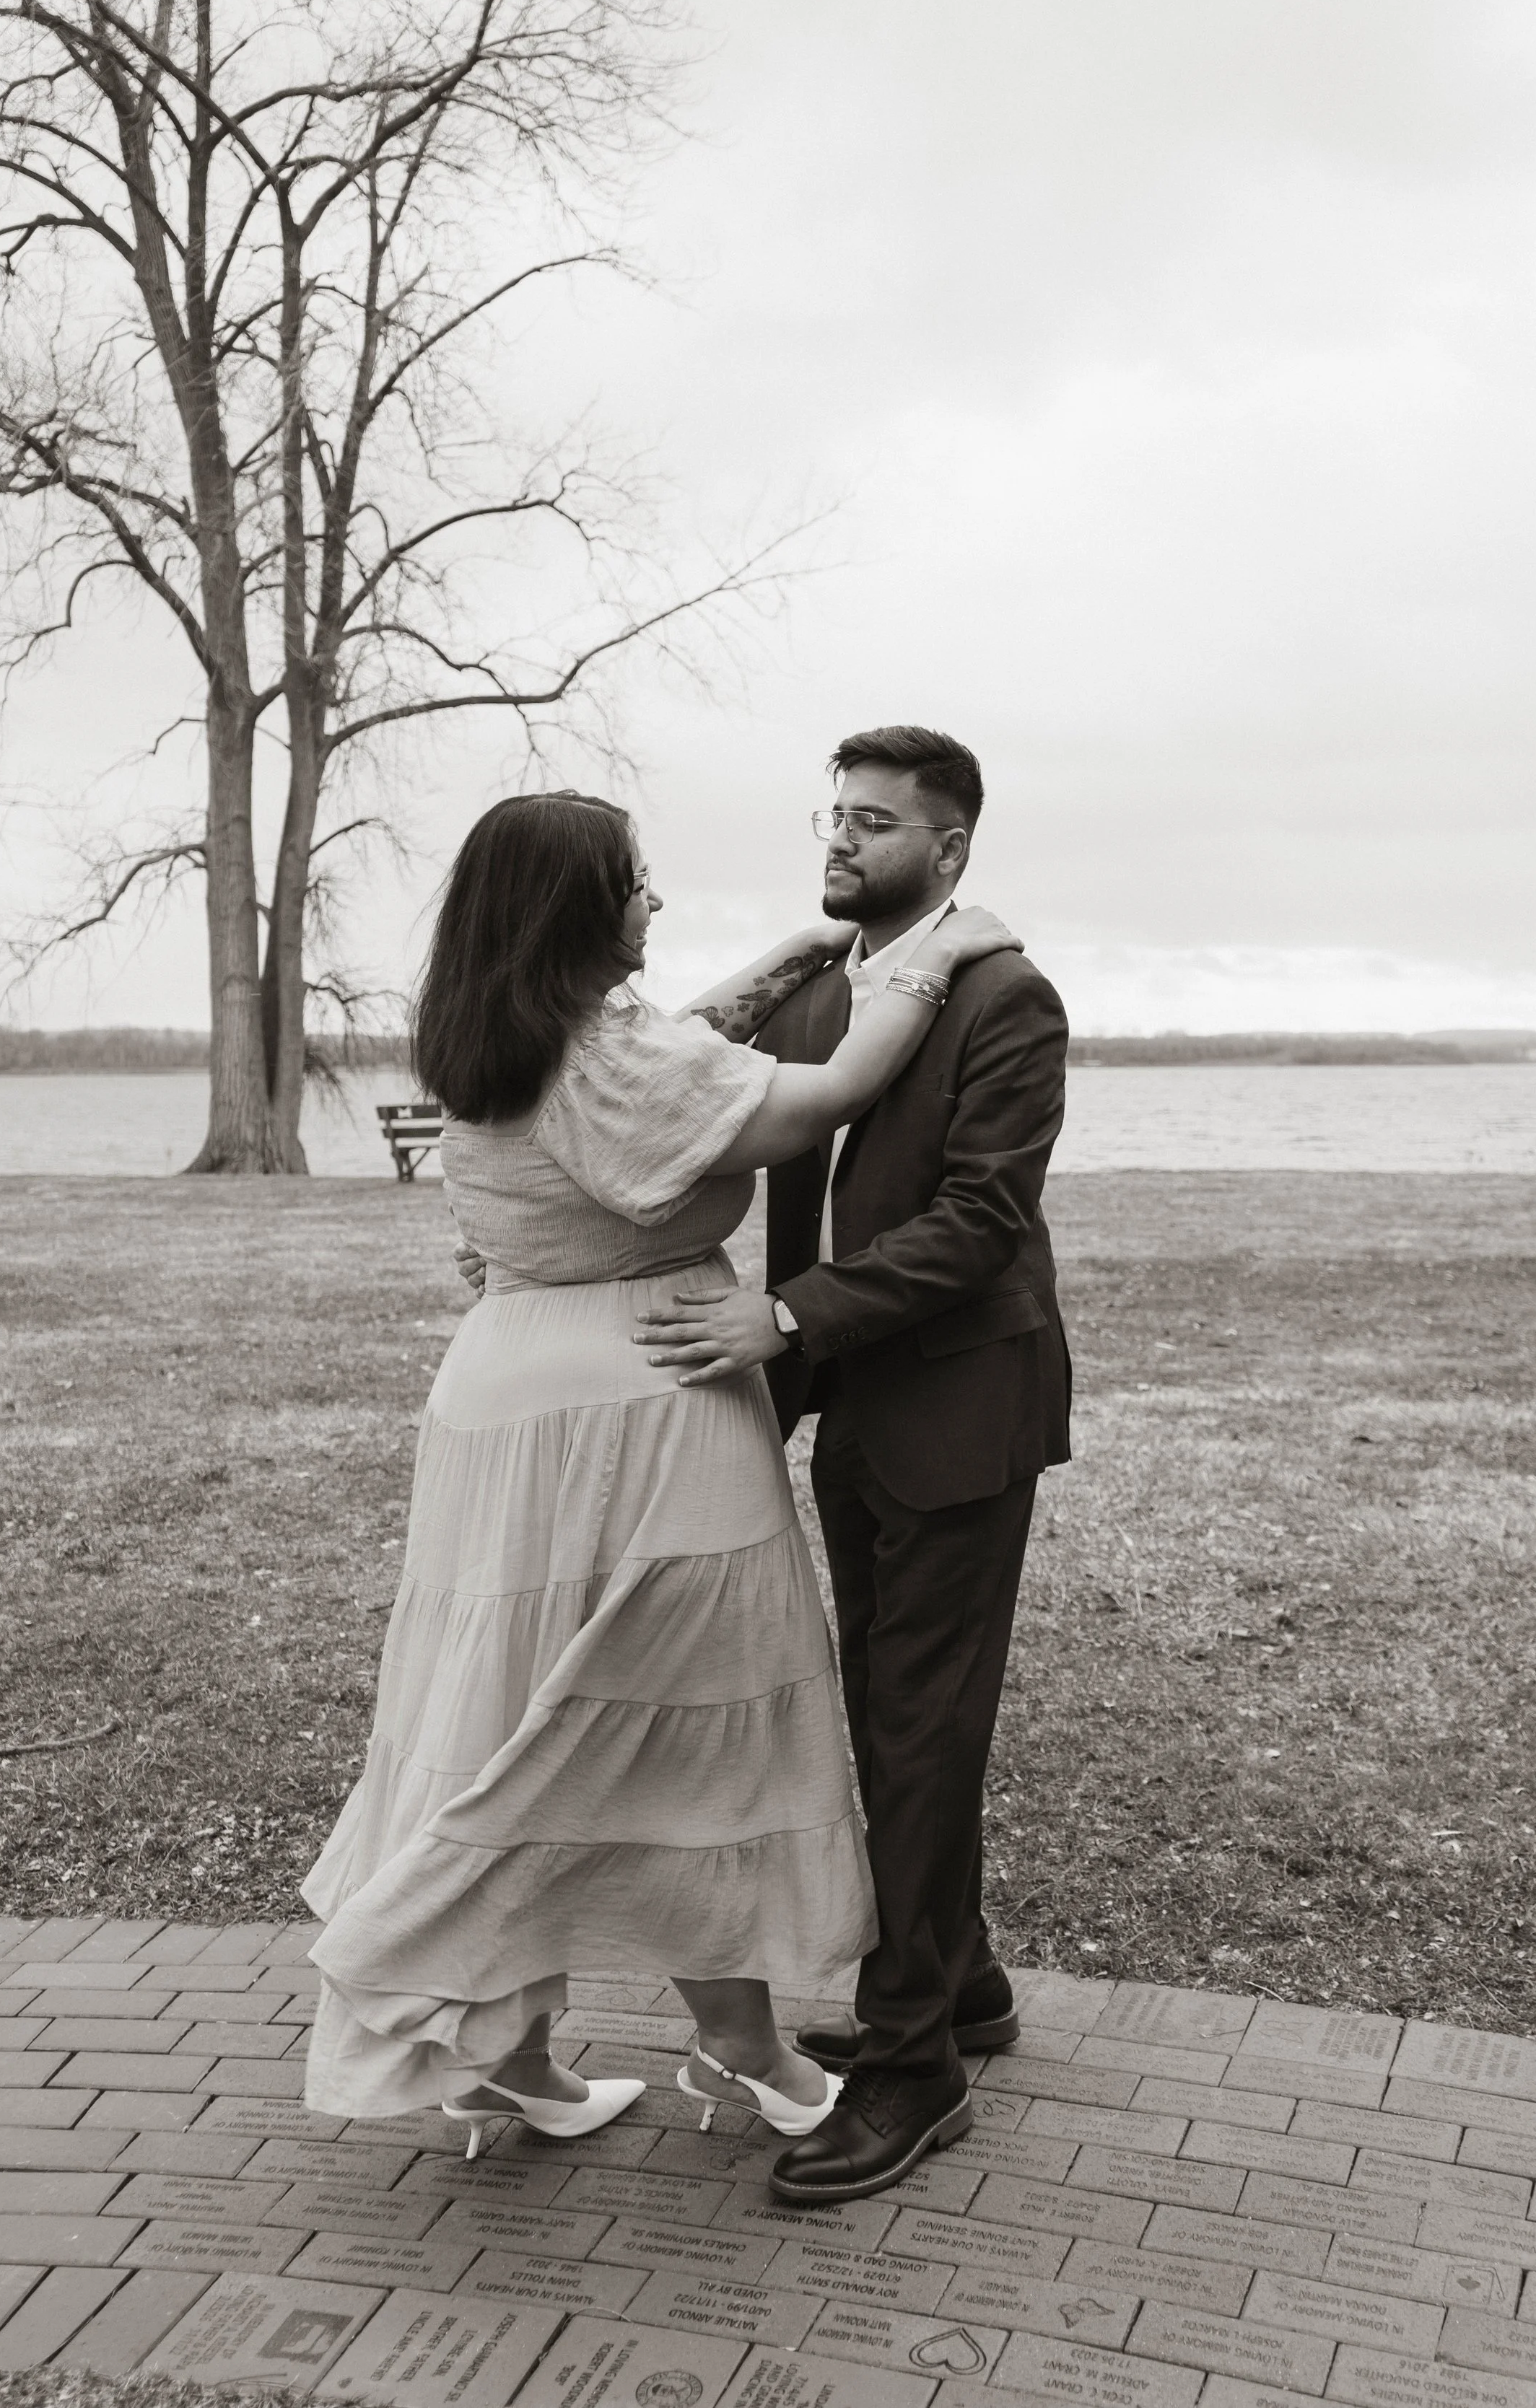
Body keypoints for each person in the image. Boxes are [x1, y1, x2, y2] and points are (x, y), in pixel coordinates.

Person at [301, 788, 1021, 2152]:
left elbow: (665, 1049)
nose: (655, 903)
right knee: (689, 1730)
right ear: (581, 913)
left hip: (508, 1407)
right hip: (642, 1409)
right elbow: (832, 1093)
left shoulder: (499, 1025)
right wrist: (935, 952)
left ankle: (505, 2050)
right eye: (636, 884)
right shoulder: (606, 1054)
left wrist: (776, 969)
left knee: (514, 1715)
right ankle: (751, 2053)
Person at [634, 727, 1070, 2201]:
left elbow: (977, 1222)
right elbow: (680, 1085)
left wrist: (781, 1318)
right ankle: (961, 1987)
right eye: (832, 814)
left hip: (957, 1415)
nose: (840, 840)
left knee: (916, 1731)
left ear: (946, 850)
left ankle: (909, 2070)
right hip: (846, 1411)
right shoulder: (826, 987)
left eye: (874, 822)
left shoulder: (1008, 1001)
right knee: (887, 1709)